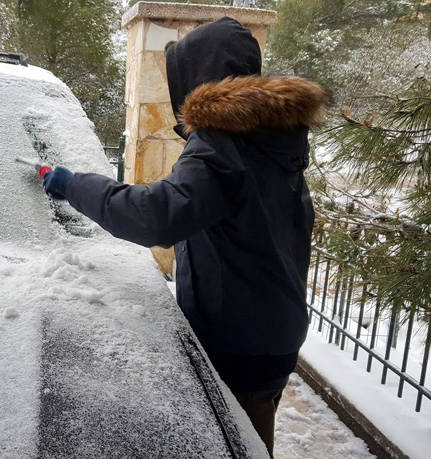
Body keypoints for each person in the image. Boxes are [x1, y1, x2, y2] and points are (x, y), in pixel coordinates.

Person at [42, 17, 329, 457]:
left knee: (236, 444)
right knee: (250, 438)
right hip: (274, 330)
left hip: (239, 341)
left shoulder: (223, 145)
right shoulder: (274, 140)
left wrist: (71, 183)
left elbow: (155, 217)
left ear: (196, 78)